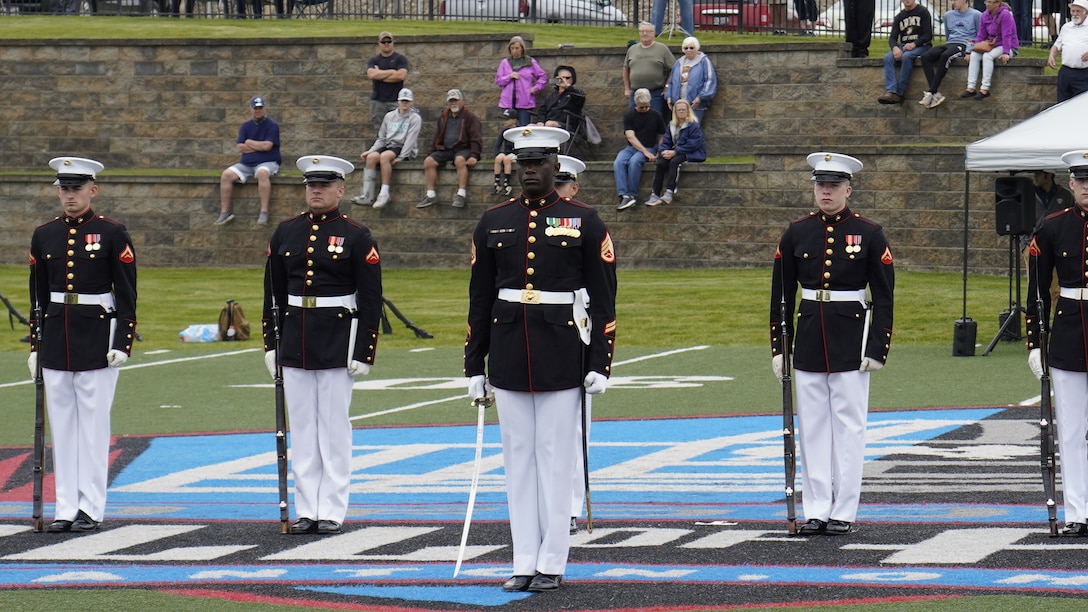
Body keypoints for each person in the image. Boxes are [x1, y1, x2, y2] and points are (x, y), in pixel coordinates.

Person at [465, 126, 617, 592]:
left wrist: (599, 361)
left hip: (561, 353)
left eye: (539, 163)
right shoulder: (493, 221)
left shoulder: (585, 220)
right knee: (517, 462)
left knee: (554, 460)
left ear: (556, 166)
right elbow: (479, 298)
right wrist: (474, 364)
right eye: (523, 163)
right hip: (510, 352)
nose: (530, 170)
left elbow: (605, 298)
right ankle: (523, 558)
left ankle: (551, 561)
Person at [769, 152, 895, 536]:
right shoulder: (796, 232)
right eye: (820, 185)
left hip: (851, 340)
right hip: (808, 336)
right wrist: (780, 347)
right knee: (813, 429)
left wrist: (877, 348)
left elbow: (885, 295)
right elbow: (782, 295)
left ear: (848, 189)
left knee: (849, 428)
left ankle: (844, 509)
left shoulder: (869, 233)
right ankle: (818, 508)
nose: (826, 192)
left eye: (833, 186)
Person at [262, 155, 383, 536]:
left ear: (340, 189)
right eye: (311, 184)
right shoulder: (285, 232)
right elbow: (273, 294)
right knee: (302, 426)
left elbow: (370, 297)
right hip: (296, 336)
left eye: (324, 184)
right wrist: (270, 344)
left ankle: (331, 508)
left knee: (332, 428)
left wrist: (364, 350)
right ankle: (307, 508)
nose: (316, 190)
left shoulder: (357, 235)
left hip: (337, 337)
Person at [29, 157, 138, 533]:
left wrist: (123, 340)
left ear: (93, 189)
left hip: (96, 336)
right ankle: (65, 506)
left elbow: (126, 293)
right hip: (57, 335)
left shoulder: (112, 233)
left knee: (92, 427)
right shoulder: (44, 234)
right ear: (57, 191)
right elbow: (38, 296)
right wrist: (34, 346)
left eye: (77, 189)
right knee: (62, 428)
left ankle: (90, 506)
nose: (70, 196)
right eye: (64, 189)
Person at [1025, 149, 1088, 536]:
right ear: (1070, 183)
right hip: (1068, 335)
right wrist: (1035, 342)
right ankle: (1078, 513)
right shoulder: (1051, 227)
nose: (1087, 187)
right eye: (1081, 180)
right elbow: (1036, 292)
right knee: (1071, 430)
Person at [352, 87, 422, 209]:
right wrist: (371, 150)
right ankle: (367, 195)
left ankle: (384, 193)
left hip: (402, 147)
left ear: (411, 102)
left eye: (407, 101)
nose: (405, 103)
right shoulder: (389, 116)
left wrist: (402, 157)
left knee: (385, 157)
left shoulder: (415, 118)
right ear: (398, 101)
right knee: (371, 158)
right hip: (389, 145)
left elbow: (410, 140)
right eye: (402, 101)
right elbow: (382, 138)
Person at [216, 95, 281, 226]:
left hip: (268, 162)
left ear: (264, 108)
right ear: (251, 109)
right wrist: (259, 147)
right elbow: (240, 147)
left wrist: (249, 142)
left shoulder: (272, 125)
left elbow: (267, 146)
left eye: (260, 108)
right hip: (246, 164)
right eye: (255, 108)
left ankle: (264, 213)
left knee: (262, 173)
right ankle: (225, 212)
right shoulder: (245, 126)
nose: (258, 110)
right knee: (226, 175)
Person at [417, 89, 483, 210]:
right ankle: (430, 195)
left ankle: (461, 194)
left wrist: (474, 155)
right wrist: (431, 152)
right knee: (428, 162)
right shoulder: (443, 116)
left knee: (459, 160)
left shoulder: (470, 117)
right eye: (451, 101)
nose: (453, 103)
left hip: (463, 148)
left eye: (456, 100)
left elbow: (476, 137)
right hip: (446, 149)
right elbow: (436, 135)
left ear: (461, 100)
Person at [918, 0, 981, 109]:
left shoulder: (976, 15)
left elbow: (980, 35)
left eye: (955, 0)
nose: (953, 2)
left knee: (945, 56)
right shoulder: (948, 15)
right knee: (925, 56)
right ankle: (935, 93)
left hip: (964, 44)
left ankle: (931, 91)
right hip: (950, 43)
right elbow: (948, 35)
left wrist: (971, 52)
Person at [614, 88, 666, 212]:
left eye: (647, 107)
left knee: (635, 162)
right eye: (641, 107)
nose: (644, 109)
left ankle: (632, 194)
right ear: (636, 104)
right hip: (633, 147)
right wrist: (644, 151)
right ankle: (623, 195)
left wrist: (659, 150)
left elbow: (662, 135)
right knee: (619, 161)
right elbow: (630, 136)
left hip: (650, 147)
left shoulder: (656, 115)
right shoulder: (629, 115)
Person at [646, 99, 706, 207]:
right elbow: (666, 141)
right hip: (674, 151)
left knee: (675, 162)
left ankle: (669, 191)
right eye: (679, 110)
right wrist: (663, 151)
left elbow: (693, 144)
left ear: (688, 111)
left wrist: (675, 151)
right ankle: (655, 194)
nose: (681, 112)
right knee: (661, 163)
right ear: (675, 112)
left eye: (683, 110)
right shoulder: (671, 126)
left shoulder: (693, 126)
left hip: (691, 153)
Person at [877, 0, 933, 105]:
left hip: (922, 45)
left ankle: (899, 93)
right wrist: (895, 48)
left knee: (907, 57)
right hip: (904, 45)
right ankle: (891, 91)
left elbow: (928, 35)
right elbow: (892, 38)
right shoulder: (899, 16)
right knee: (888, 57)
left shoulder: (923, 12)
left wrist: (915, 44)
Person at [962, 0, 1019, 100]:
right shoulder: (985, 15)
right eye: (986, 2)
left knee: (987, 56)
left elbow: (1007, 34)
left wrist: (1006, 52)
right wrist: (974, 49)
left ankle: (985, 89)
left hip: (1008, 46)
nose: (987, 4)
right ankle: (970, 87)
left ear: (997, 3)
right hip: (992, 44)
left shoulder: (1005, 14)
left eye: (991, 2)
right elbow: (981, 34)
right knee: (975, 55)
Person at [623, 22, 674, 119]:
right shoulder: (632, 49)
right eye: (642, 31)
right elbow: (626, 69)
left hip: (655, 93)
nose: (644, 34)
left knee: (655, 119)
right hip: (635, 93)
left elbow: (673, 69)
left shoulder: (662, 49)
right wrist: (627, 88)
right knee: (633, 119)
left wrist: (667, 87)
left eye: (647, 31)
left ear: (653, 33)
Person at [495, 36, 547, 127]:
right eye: (512, 48)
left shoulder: (530, 62)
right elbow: (499, 81)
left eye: (517, 48)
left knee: (524, 128)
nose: (514, 51)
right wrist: (509, 76)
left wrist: (535, 88)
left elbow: (542, 76)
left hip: (525, 101)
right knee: (508, 128)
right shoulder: (505, 62)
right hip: (507, 102)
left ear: (522, 49)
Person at [664, 37, 717, 125]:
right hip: (679, 104)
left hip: (695, 105)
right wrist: (669, 96)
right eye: (686, 48)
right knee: (678, 130)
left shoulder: (704, 61)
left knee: (692, 130)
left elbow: (710, 80)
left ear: (697, 48)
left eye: (691, 48)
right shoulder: (678, 62)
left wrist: (700, 98)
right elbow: (671, 81)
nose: (689, 50)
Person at [366, 32, 410, 137]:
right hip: (378, 102)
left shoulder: (400, 59)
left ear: (393, 42)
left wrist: (380, 75)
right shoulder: (374, 60)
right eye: (383, 41)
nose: (386, 44)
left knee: (397, 132)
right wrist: (391, 72)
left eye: (389, 41)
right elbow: (371, 74)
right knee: (380, 133)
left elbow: (401, 76)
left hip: (396, 101)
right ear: (379, 43)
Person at [1048, 0, 1088, 103]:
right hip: (1066, 72)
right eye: (1073, 11)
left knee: (1082, 105)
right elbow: (1057, 45)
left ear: (1086, 12)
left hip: (1084, 73)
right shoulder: (1066, 27)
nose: (1074, 14)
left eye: (1078, 11)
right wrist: (1052, 56)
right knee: (1062, 104)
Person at [533, 65, 586, 133]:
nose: (564, 80)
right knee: (529, 127)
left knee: (549, 124)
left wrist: (568, 87)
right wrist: (540, 122)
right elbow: (542, 111)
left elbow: (580, 100)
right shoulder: (551, 95)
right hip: (548, 124)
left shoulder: (575, 93)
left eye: (567, 78)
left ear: (572, 80)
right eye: (561, 78)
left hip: (567, 125)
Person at [492, 108, 519, 196]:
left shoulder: (519, 131)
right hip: (507, 153)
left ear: (514, 120)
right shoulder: (504, 131)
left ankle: (507, 184)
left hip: (516, 153)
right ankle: (497, 183)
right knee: (499, 158)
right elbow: (497, 145)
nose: (505, 121)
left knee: (507, 159)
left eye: (507, 119)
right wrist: (498, 153)